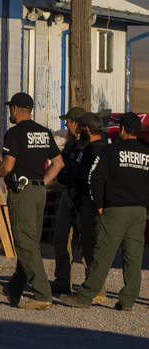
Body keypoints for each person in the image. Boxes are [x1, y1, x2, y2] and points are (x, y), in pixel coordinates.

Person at [0, 92, 64, 310]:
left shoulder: (14, 133)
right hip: (38, 192)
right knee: (31, 243)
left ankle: (43, 295)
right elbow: (58, 163)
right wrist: (42, 183)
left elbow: (7, 166)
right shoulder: (44, 133)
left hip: (22, 193)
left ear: (15, 109)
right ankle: (14, 289)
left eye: (10, 110)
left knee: (24, 242)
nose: (10, 113)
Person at [61, 112, 149, 311]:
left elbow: (95, 177)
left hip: (115, 209)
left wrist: (98, 203)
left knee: (103, 254)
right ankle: (127, 300)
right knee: (134, 256)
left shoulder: (112, 150)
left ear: (123, 129)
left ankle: (85, 296)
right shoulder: (146, 152)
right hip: (139, 211)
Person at [70, 112, 109, 304]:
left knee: (91, 247)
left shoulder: (95, 150)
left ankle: (97, 289)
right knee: (90, 247)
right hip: (88, 202)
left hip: (91, 203)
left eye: (80, 128)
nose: (78, 132)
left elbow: (91, 178)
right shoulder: (99, 148)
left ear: (86, 128)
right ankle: (95, 286)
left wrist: (96, 202)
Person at [51, 106, 87, 295]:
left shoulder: (91, 145)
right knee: (61, 239)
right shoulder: (71, 144)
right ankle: (62, 281)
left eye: (69, 121)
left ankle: (94, 287)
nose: (66, 124)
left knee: (88, 243)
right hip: (67, 194)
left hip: (83, 198)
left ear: (77, 123)